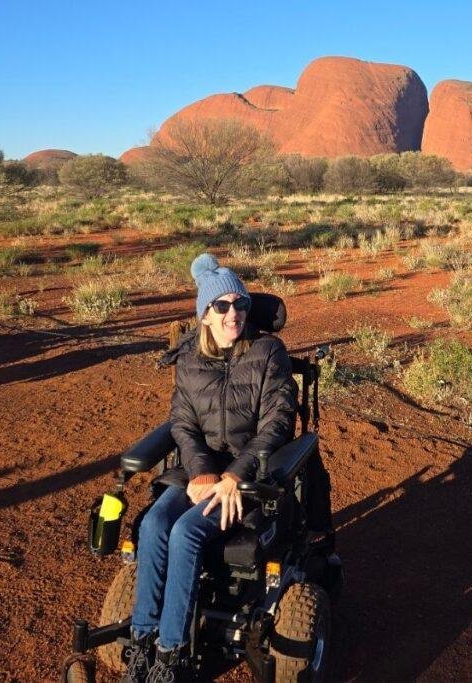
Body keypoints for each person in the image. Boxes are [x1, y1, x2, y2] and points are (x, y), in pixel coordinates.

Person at [124, 253, 298, 683]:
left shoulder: (267, 351)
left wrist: (233, 475)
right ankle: (141, 641)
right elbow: (182, 424)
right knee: (152, 526)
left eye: (240, 304)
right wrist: (201, 470)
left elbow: (278, 421)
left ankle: (170, 652)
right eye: (221, 306)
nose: (233, 314)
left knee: (185, 533)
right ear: (204, 314)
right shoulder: (190, 360)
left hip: (247, 475)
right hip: (197, 473)